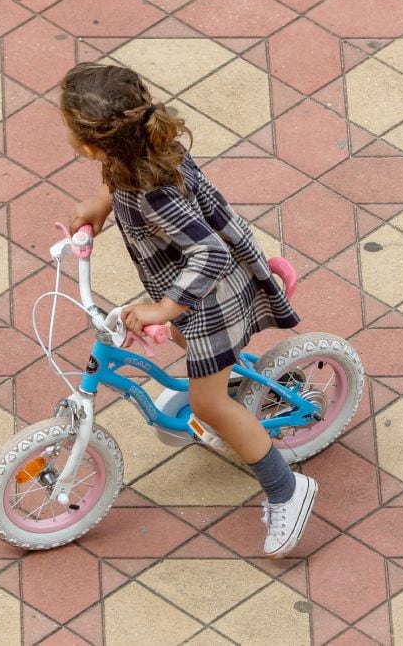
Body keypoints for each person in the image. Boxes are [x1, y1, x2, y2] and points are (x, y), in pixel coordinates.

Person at [60, 62, 315, 558]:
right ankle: (249, 384)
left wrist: (165, 307)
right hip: (199, 293)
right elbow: (118, 179)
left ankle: (287, 490)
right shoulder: (143, 151)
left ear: (91, 144)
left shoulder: (151, 195)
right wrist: (100, 203)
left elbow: (210, 253)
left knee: (207, 404)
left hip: (208, 297)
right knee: (191, 351)